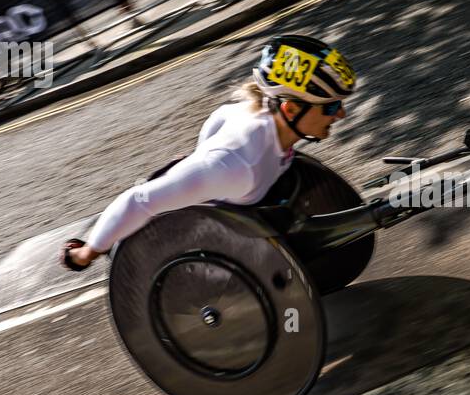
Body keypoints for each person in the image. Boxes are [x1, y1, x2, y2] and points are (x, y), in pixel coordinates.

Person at [61, 35, 356, 270]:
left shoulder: (258, 114)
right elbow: (137, 201)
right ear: (290, 108)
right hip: (200, 252)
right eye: (330, 106)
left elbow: (219, 120)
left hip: (224, 195)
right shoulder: (235, 166)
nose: (340, 114)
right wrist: (87, 253)